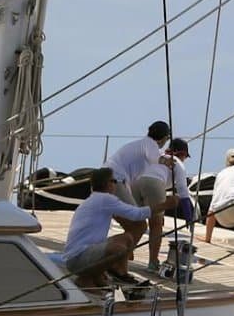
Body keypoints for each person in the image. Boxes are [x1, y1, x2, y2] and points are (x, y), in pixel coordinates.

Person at [63, 167, 177, 290]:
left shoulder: (95, 199)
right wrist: (166, 205)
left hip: (79, 256)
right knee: (118, 249)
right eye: (114, 181)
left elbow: (128, 218)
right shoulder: (105, 199)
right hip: (77, 259)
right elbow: (137, 214)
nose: (116, 185)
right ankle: (85, 279)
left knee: (127, 238)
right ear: (107, 184)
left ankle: (104, 275)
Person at [102, 120, 172, 243]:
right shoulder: (151, 144)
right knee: (139, 226)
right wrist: (166, 162)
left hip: (103, 181)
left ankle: (123, 251)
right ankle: (112, 250)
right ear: (164, 138)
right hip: (114, 182)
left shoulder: (139, 144)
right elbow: (154, 158)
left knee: (130, 226)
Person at [132, 138, 195, 271]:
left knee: (136, 223)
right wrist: (189, 216)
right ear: (183, 154)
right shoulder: (177, 162)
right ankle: (153, 263)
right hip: (154, 183)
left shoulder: (157, 155)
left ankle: (125, 254)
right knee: (156, 224)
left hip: (134, 183)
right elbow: (183, 190)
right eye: (185, 157)